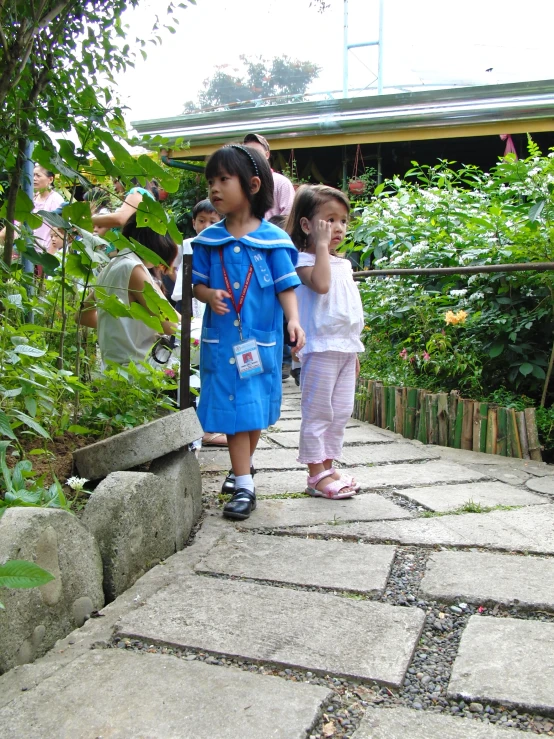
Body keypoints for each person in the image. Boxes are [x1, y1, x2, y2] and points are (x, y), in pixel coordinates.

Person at [192, 144, 305, 520]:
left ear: (253, 184)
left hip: (261, 340)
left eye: (224, 179)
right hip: (223, 341)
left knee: (253, 410)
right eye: (211, 181)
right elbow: (197, 286)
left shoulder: (273, 240)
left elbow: (285, 285)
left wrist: (293, 319)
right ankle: (244, 484)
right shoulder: (210, 241)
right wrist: (209, 295)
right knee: (236, 410)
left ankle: (242, 471)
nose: (215, 188)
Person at [287, 184, 364, 499]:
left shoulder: (343, 263)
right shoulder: (302, 260)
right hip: (319, 348)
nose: (338, 227)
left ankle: (328, 466)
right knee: (318, 412)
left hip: (344, 349)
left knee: (341, 410)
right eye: (329, 220)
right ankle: (314, 474)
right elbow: (320, 286)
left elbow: (347, 310)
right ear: (307, 225)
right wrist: (320, 246)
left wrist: (354, 348)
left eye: (343, 221)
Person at [78, 214, 179, 369]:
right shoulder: (132, 268)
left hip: (114, 370)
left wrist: (119, 327)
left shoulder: (113, 265)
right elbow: (172, 324)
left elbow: (83, 315)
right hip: (138, 371)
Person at [172, 199, 226, 447]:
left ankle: (214, 425)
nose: (206, 226)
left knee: (217, 371)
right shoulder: (188, 246)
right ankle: (203, 427)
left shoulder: (224, 245)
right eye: (201, 221)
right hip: (194, 315)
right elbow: (182, 290)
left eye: (212, 221)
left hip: (219, 315)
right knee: (198, 370)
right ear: (193, 222)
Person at [244, 133, 296, 379]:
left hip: (272, 248)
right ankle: (253, 364)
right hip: (245, 252)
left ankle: (282, 360)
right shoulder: (239, 183)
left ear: (267, 153)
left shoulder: (280, 183)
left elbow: (289, 217)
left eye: (256, 150)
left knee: (280, 301)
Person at [0, 165, 65, 256]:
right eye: (33, 175)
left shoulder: (55, 200)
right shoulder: (32, 198)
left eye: (38, 176)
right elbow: (18, 222)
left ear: (50, 179)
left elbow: (58, 232)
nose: (34, 178)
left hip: (42, 253)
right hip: (26, 251)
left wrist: (48, 259)